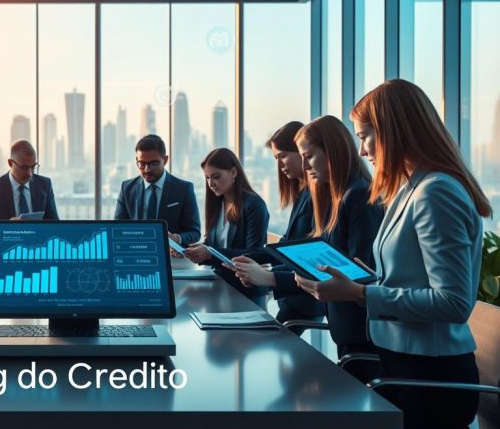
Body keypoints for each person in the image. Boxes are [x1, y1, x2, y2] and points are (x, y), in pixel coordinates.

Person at [295, 80, 491, 429]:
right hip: (404, 368)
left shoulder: (436, 193)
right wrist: (366, 282)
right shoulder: (412, 189)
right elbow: (412, 278)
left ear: (393, 132)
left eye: (365, 136)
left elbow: (453, 302)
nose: (361, 150)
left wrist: (360, 293)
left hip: (429, 381)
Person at [233, 115, 383, 382]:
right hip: (347, 327)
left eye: (309, 156)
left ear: (332, 151)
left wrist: (271, 277)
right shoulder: (340, 195)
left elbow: (359, 272)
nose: (304, 166)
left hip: (361, 331)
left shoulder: (357, 195)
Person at [209, 123, 324, 327]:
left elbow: (306, 255)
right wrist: (251, 264)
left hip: (305, 298)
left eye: (282, 156)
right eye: (276, 159)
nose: (280, 165)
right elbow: (287, 248)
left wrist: (266, 274)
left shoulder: (314, 197)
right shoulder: (303, 194)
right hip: (292, 297)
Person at [182, 148, 269, 303]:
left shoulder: (254, 205)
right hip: (221, 285)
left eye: (216, 177)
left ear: (234, 172)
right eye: (207, 178)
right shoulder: (219, 204)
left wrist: (211, 253)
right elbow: (211, 244)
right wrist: (191, 250)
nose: (210, 184)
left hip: (245, 290)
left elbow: (254, 253)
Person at [115, 134, 201, 247]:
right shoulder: (127, 188)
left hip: (170, 258)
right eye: (142, 163)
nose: (147, 170)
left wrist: (177, 239)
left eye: (153, 164)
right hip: (135, 254)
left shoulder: (184, 189)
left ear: (165, 160)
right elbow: (117, 228)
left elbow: (194, 232)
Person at [0, 139, 60, 238]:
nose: (30, 173)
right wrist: (6, 227)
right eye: (24, 168)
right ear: (10, 163)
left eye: (33, 167)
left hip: (37, 244)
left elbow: (55, 223)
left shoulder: (44, 185)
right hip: (7, 246)